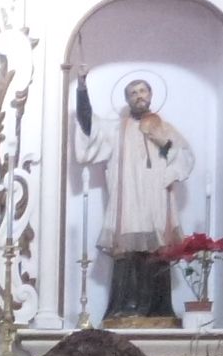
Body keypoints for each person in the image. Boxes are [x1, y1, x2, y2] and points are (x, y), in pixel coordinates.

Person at [78, 75, 195, 322]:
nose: (139, 96)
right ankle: (125, 307)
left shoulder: (164, 127)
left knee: (157, 249)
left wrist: (158, 138)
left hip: (156, 198)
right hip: (129, 199)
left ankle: (159, 309)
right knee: (128, 252)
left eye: (143, 91)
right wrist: (82, 89)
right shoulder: (116, 128)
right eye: (133, 93)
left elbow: (182, 157)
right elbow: (89, 124)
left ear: (151, 95)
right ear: (127, 100)